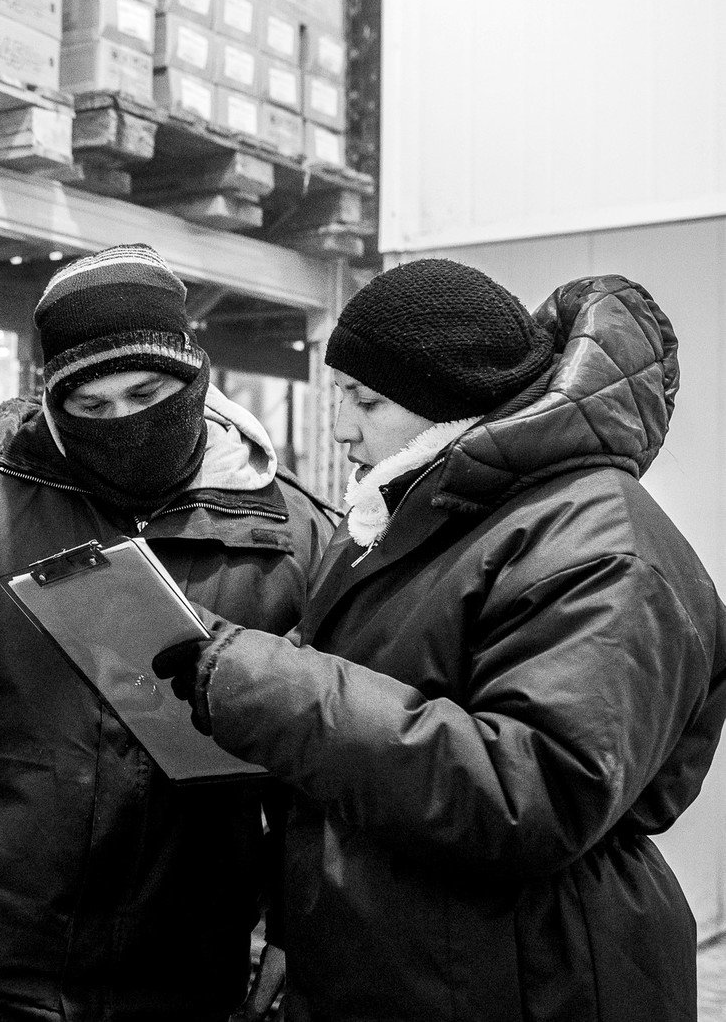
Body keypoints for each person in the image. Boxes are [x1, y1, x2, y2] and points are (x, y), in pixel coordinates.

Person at [153, 262, 726, 1021]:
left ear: (451, 399)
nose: (342, 427)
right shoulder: (414, 517)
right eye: (338, 396)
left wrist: (266, 685)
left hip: (528, 977)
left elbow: (535, 794)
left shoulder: (602, 545)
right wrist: (296, 923)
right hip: (410, 961)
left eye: (366, 400)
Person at [0, 244, 336, 1021]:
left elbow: (318, 762)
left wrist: (298, 920)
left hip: (187, 957)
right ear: (51, 399)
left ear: (193, 378)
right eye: (91, 406)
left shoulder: (288, 534)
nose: (123, 422)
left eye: (145, 392)